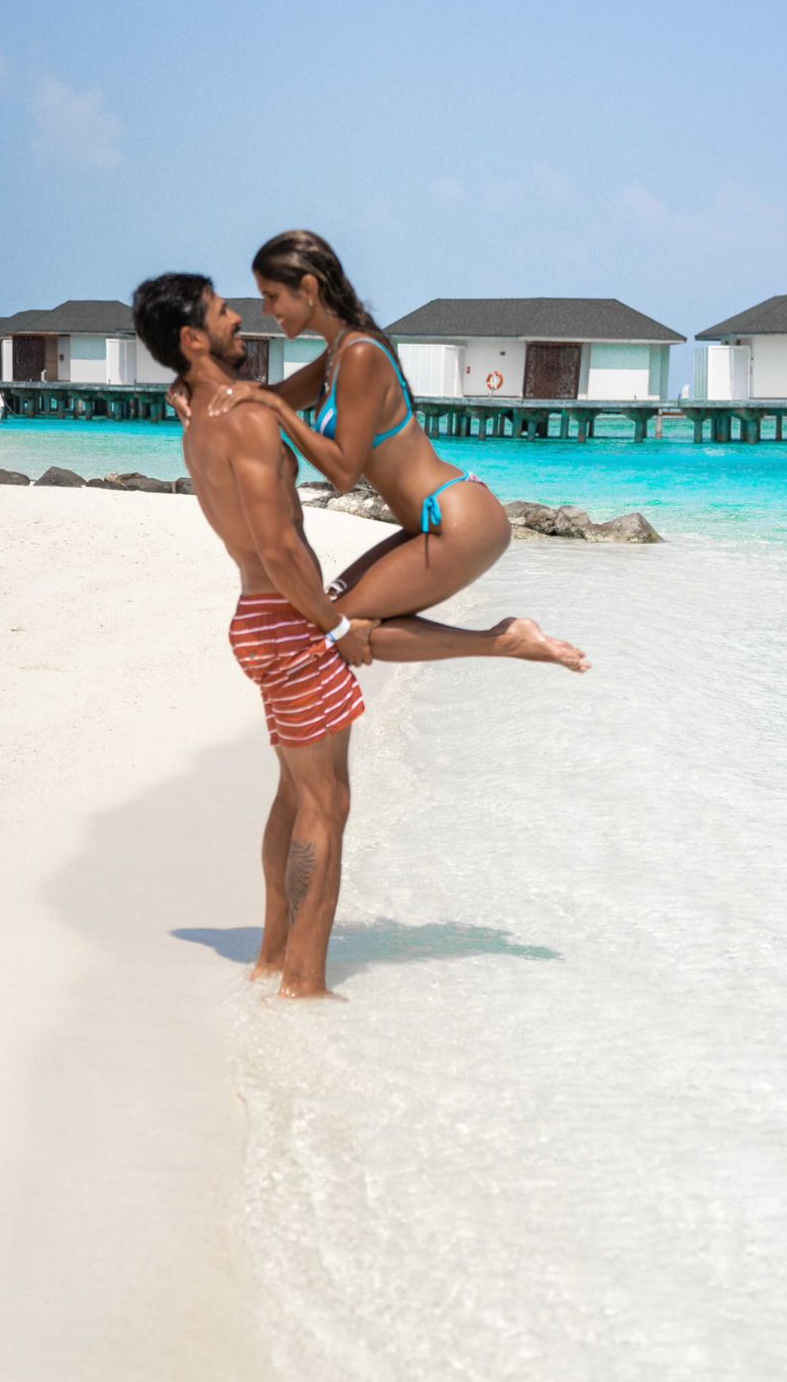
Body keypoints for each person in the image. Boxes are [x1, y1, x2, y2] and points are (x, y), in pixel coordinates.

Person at [135, 273, 586, 1002]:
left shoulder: (202, 414)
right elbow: (280, 548)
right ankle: (305, 984)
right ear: (193, 339)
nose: (241, 318)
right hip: (285, 614)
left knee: (294, 795)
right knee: (325, 805)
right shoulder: (245, 422)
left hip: (259, 618)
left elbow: (301, 387)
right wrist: (334, 622)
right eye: (223, 313)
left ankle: (274, 958)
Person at [179, 230, 583, 640]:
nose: (266, 310)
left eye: (272, 296)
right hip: (424, 524)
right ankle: (501, 641)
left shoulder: (360, 354)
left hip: (457, 521)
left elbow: (343, 473)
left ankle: (504, 642)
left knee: (329, 629)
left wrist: (279, 409)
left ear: (308, 288)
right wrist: (195, 390)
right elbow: (265, 399)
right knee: (327, 612)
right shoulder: (337, 354)